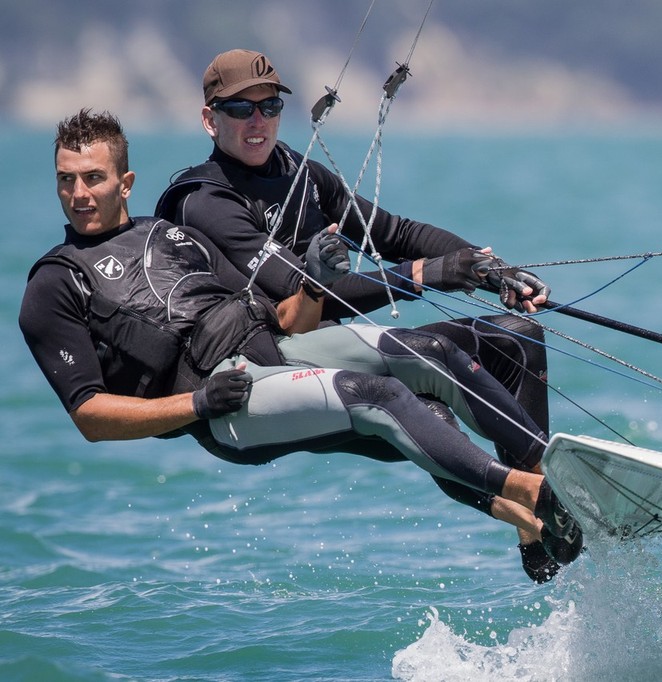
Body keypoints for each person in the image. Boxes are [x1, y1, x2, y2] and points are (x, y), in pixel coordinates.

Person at [20, 109, 581, 583]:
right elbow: (90, 416)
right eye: (66, 180)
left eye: (92, 178)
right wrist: (196, 404)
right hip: (227, 405)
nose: (78, 194)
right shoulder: (55, 284)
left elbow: (288, 317)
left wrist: (313, 281)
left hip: (278, 353)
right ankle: (537, 492)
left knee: (428, 353)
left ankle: (545, 489)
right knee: (378, 397)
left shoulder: (175, 236)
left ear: (125, 182)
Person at [154, 48, 560, 579]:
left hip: (333, 352)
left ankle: (540, 515)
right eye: (239, 109)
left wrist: (490, 269)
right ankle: (545, 502)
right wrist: (428, 275)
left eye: (269, 106)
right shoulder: (203, 200)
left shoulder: (299, 172)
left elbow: (395, 234)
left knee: (518, 336)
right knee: (428, 394)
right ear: (210, 119)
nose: (258, 121)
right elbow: (301, 293)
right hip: (270, 367)